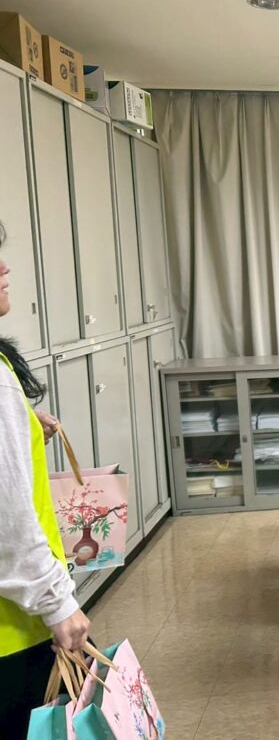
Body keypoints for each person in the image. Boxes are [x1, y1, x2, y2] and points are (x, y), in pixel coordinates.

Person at [0, 221, 90, 739]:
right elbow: (7, 518)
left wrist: (24, 427)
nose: (4, 267)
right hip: (14, 631)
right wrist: (58, 603)